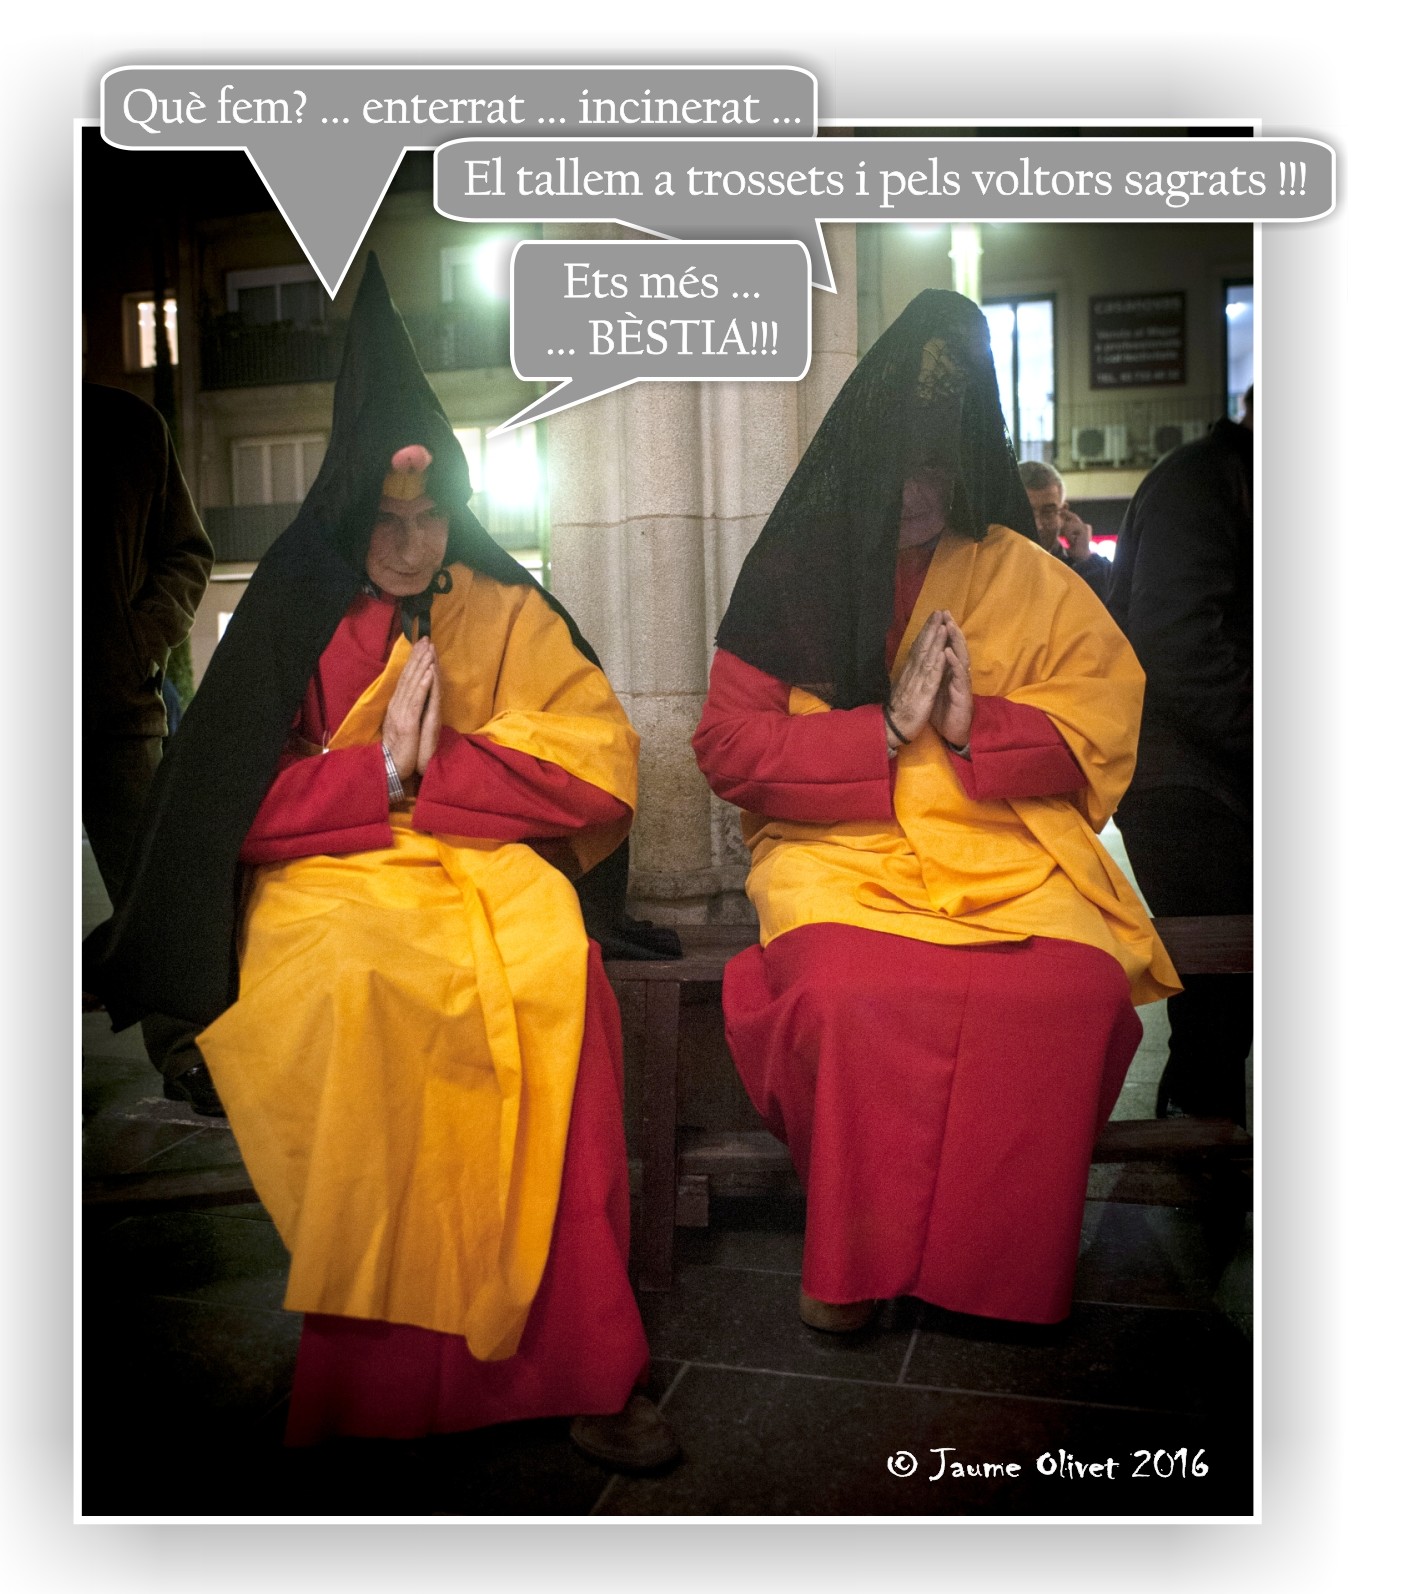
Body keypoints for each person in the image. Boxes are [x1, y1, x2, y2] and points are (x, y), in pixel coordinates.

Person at [84, 258, 678, 1470]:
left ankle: (582, 1363)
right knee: (357, 995)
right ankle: (379, 1383)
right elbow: (223, 807)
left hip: (486, 868)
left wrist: (442, 766)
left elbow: (598, 763)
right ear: (352, 511)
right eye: (387, 520)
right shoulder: (288, 619)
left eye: (430, 518)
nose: (409, 543)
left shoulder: (508, 609)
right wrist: (380, 776)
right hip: (332, 871)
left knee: (562, 988)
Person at [693, 290, 1178, 1331]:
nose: (916, 492)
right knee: (847, 999)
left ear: (965, 463)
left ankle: (993, 1274)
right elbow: (726, 747)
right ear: (860, 454)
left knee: (1079, 993)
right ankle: (856, 1266)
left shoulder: (1026, 574)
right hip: (839, 851)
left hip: (1006, 853)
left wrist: (972, 726)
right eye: (898, 466)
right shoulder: (795, 570)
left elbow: (1103, 723)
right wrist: (874, 733)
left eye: (937, 467)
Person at [1106, 389, 1253, 1124]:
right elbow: (1177, 649)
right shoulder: (1200, 482)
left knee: (1228, 995)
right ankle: (1199, 1144)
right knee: (1218, 996)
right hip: (1185, 781)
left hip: (1222, 768)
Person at [82, 382, 220, 1114]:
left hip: (116, 708)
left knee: (157, 890)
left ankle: (188, 1051)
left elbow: (187, 553)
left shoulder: (130, 425)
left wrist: (138, 642)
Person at [1018, 458, 1110, 600]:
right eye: (1026, 513)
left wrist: (1085, 559)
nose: (1038, 525)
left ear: (1063, 513)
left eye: (1048, 512)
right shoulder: (991, 565)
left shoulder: (1087, 569)